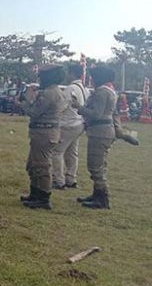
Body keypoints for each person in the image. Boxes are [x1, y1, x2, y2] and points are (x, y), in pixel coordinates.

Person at [19, 65, 67, 209]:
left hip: (44, 133)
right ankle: (36, 194)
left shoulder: (49, 93)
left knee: (41, 166)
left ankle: (43, 198)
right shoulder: (54, 91)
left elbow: (34, 112)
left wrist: (25, 101)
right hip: (45, 133)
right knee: (34, 164)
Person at [75, 67, 117, 209]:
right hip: (104, 131)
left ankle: (102, 198)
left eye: (93, 77)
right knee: (100, 165)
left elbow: (96, 114)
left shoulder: (101, 92)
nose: (91, 80)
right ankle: (97, 194)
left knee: (95, 166)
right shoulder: (110, 90)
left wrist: (79, 107)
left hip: (99, 132)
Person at [51, 64, 89, 189]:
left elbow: (63, 106)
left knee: (57, 152)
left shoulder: (70, 88)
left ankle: (58, 180)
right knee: (72, 152)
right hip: (79, 123)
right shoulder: (84, 88)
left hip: (68, 124)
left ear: (72, 73)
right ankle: (71, 179)